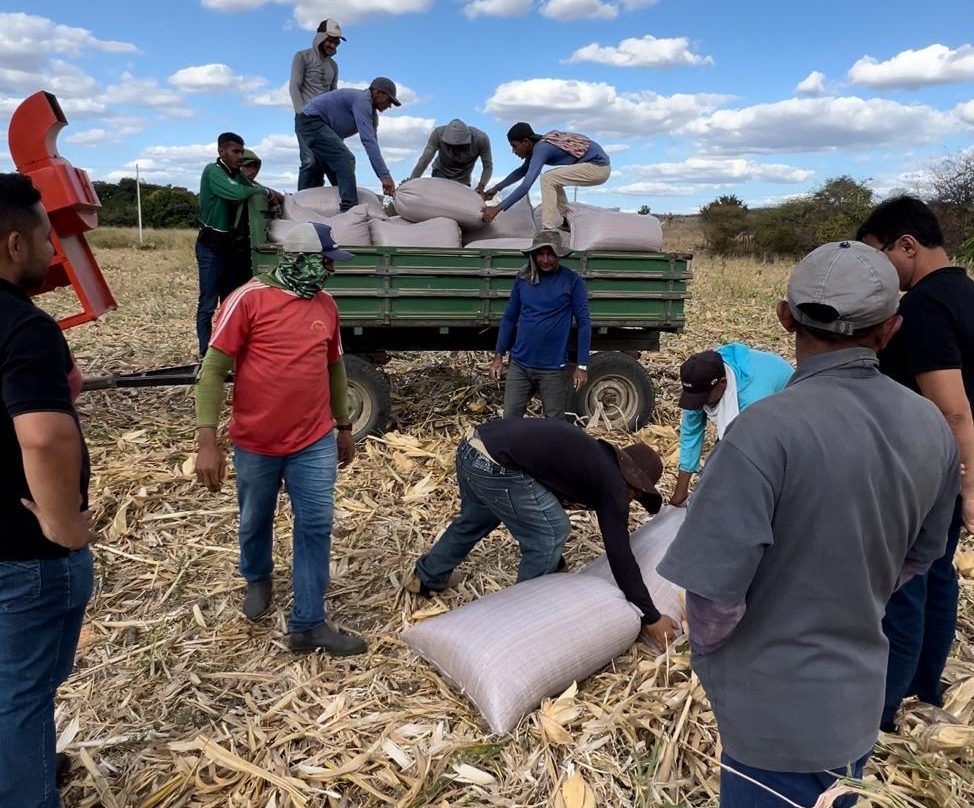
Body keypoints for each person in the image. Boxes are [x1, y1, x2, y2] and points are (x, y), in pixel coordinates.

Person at [658, 241, 959, 808]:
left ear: (783, 316)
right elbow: (923, 557)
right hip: (856, 704)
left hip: (773, 720)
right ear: (889, 329)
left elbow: (713, 601)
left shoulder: (760, 435)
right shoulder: (930, 426)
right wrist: (854, 588)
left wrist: (712, 658)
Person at [195, 222, 365, 656]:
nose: (329, 270)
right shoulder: (248, 300)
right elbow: (213, 371)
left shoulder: (325, 306)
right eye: (325, 261)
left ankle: (308, 623)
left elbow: (335, 369)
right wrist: (207, 442)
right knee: (255, 518)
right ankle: (257, 575)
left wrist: (343, 426)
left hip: (314, 441)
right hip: (256, 442)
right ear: (300, 259)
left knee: (316, 524)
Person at [406, 417, 680, 647]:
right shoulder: (613, 486)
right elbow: (620, 556)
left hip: (473, 447)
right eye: (636, 497)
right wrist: (651, 616)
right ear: (635, 487)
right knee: (551, 532)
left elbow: (538, 491)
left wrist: (556, 564)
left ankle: (428, 576)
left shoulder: (593, 460)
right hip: (496, 463)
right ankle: (522, 622)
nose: (630, 502)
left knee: (477, 518)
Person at [857, 196, 974, 732]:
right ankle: (924, 687)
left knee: (902, 590)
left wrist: (965, 487)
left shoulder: (924, 306)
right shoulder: (963, 291)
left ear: (907, 245)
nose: (877, 269)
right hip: (948, 472)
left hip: (925, 474)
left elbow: (951, 409)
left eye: (878, 255)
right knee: (936, 576)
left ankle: (883, 710)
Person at [0, 173, 97, 807]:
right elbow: (42, 438)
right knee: (24, 694)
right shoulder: (22, 324)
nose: (50, 250)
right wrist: (62, 526)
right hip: (23, 553)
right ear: (13, 245)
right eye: (43, 237)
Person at [669, 344, 792, 506]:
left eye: (703, 397)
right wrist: (680, 493)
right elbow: (691, 435)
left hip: (789, 405)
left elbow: (751, 451)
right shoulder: (701, 378)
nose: (699, 404)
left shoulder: (751, 399)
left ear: (722, 383)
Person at [195, 132, 281, 357]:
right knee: (208, 303)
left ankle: (225, 350)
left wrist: (273, 194)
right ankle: (206, 353)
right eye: (235, 152)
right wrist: (263, 191)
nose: (240, 156)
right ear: (221, 152)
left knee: (230, 302)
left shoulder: (237, 174)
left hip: (229, 248)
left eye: (242, 151)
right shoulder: (213, 171)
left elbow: (251, 186)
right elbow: (236, 193)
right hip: (211, 245)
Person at [490, 229, 591, 419]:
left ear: (558, 255)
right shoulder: (523, 279)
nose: (545, 260)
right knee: (510, 420)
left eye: (550, 254)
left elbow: (584, 323)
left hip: (552, 368)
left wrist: (582, 366)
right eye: (540, 254)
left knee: (554, 424)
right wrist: (498, 356)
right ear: (533, 255)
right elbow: (510, 318)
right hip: (520, 365)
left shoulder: (572, 282)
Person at [481, 122, 610, 231]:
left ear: (526, 142)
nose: (514, 151)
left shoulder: (542, 148)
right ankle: (567, 221)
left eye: (514, 146)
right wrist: (497, 188)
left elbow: (526, 186)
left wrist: (497, 208)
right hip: (595, 167)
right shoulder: (538, 147)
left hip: (598, 167)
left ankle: (548, 229)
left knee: (548, 179)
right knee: (553, 179)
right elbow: (522, 170)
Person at [296, 78, 400, 211]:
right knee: (345, 159)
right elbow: (368, 142)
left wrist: (383, 175)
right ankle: (349, 210)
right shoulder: (363, 101)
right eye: (389, 100)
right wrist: (385, 177)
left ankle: (301, 206)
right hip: (311, 121)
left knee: (325, 172)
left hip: (320, 126)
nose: (389, 105)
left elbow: (373, 145)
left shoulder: (372, 115)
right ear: (378, 93)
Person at [290, 18, 344, 190]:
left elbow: (333, 95)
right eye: (329, 40)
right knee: (309, 161)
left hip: (325, 122)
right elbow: (294, 86)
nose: (332, 46)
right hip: (306, 117)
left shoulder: (333, 66)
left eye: (336, 42)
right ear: (320, 37)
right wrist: (301, 112)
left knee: (323, 162)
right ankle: (300, 202)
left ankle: (316, 202)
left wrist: (336, 124)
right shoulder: (302, 56)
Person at [407, 119, 493, 192]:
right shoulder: (438, 134)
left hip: (463, 179)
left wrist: (481, 187)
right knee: (438, 200)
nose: (455, 150)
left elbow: (487, 166)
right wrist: (412, 181)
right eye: (450, 146)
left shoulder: (481, 139)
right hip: (440, 173)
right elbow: (425, 159)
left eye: (459, 147)